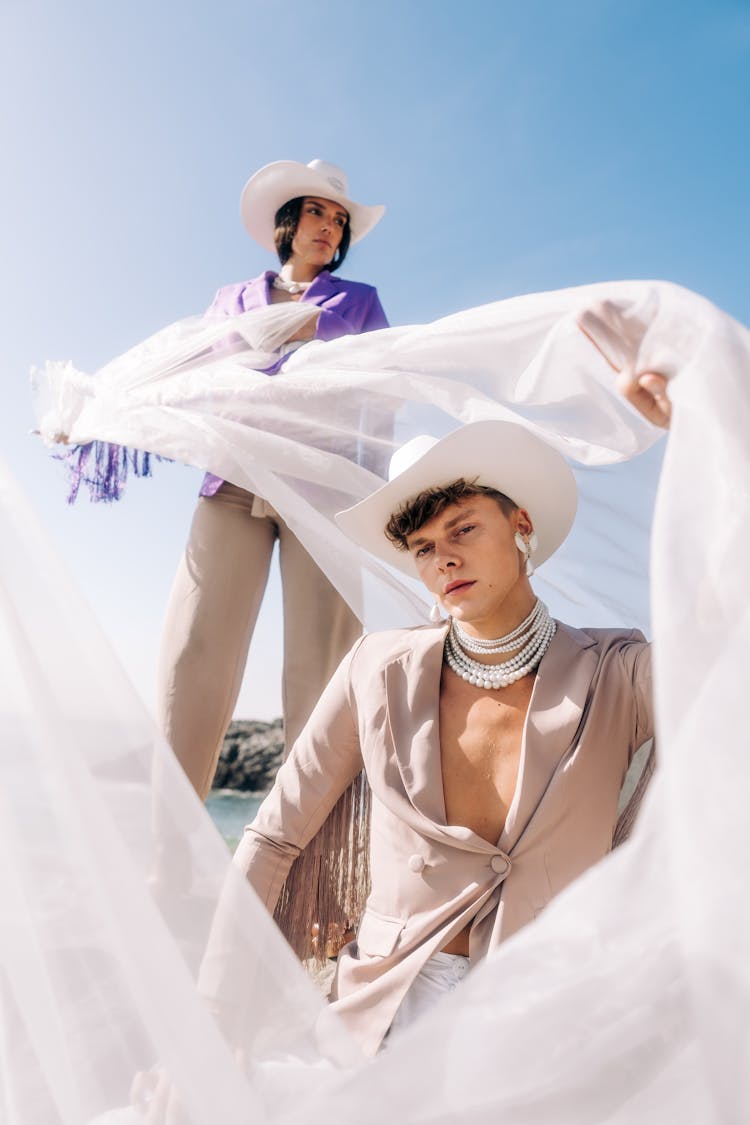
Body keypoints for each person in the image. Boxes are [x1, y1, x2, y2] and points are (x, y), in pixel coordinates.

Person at [230, 364, 671, 1057]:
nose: (445, 560)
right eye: (424, 548)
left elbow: (726, 652)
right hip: (386, 1021)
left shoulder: (620, 671)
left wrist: (707, 444)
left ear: (521, 525)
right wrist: (204, 1018)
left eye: (463, 529)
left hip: (558, 1020)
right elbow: (273, 839)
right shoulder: (376, 669)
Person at [157, 158, 388, 801]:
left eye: (340, 220)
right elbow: (186, 364)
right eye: (317, 212)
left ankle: (308, 864)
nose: (330, 228)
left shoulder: (359, 301)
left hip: (323, 489)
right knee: (195, 652)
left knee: (322, 669)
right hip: (231, 481)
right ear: (286, 223)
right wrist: (96, 409)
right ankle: (171, 848)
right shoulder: (231, 300)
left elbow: (389, 386)